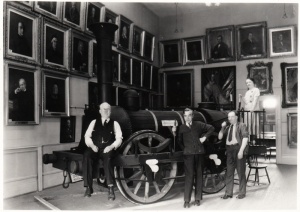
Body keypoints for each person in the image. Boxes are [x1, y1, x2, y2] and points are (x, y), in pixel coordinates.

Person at [83, 102, 123, 200]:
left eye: (108, 109)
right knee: (86, 155)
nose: (106, 111)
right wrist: (92, 145)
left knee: (108, 158)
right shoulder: (94, 122)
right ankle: (88, 187)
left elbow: (119, 138)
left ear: (110, 111)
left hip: (108, 148)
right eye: (103, 109)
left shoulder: (115, 123)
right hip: (95, 148)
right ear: (100, 111)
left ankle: (110, 188)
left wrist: (111, 146)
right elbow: (87, 136)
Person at [178, 108, 215, 208]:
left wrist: (204, 137)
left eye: (189, 115)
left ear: (192, 116)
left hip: (199, 154)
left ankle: (198, 199)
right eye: (185, 116)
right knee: (189, 177)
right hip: (188, 155)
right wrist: (186, 149)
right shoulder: (181, 128)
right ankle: (186, 200)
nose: (187, 117)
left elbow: (211, 128)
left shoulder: (198, 124)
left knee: (199, 176)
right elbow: (179, 142)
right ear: (183, 116)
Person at [218, 111, 249, 200]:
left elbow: (245, 138)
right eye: (228, 117)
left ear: (236, 117)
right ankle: (228, 193)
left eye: (231, 117)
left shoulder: (242, 125)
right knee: (229, 173)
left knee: (241, 172)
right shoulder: (227, 127)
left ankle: (242, 193)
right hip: (229, 151)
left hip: (238, 149)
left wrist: (241, 151)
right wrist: (222, 127)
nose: (229, 119)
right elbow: (220, 137)